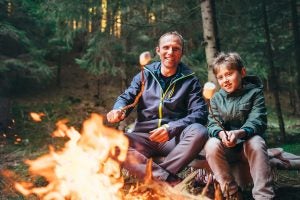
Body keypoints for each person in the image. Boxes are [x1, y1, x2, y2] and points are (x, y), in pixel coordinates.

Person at [107, 31, 208, 186]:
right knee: (111, 143)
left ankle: (155, 180)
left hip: (174, 139)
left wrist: (171, 128)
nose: (170, 52)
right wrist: (118, 109)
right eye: (166, 47)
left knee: (199, 131)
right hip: (143, 137)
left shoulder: (190, 80)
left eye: (176, 48)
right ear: (158, 50)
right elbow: (127, 97)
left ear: (182, 52)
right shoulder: (144, 75)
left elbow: (199, 113)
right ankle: (169, 181)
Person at [204, 52, 275, 199]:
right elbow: (212, 124)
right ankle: (232, 192)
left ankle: (264, 195)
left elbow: (258, 121)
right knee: (211, 144)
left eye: (229, 74)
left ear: (242, 72)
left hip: (247, 148)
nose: (225, 80)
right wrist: (222, 134)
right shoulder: (216, 98)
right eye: (220, 77)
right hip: (228, 148)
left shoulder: (255, 93)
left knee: (256, 141)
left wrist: (239, 133)